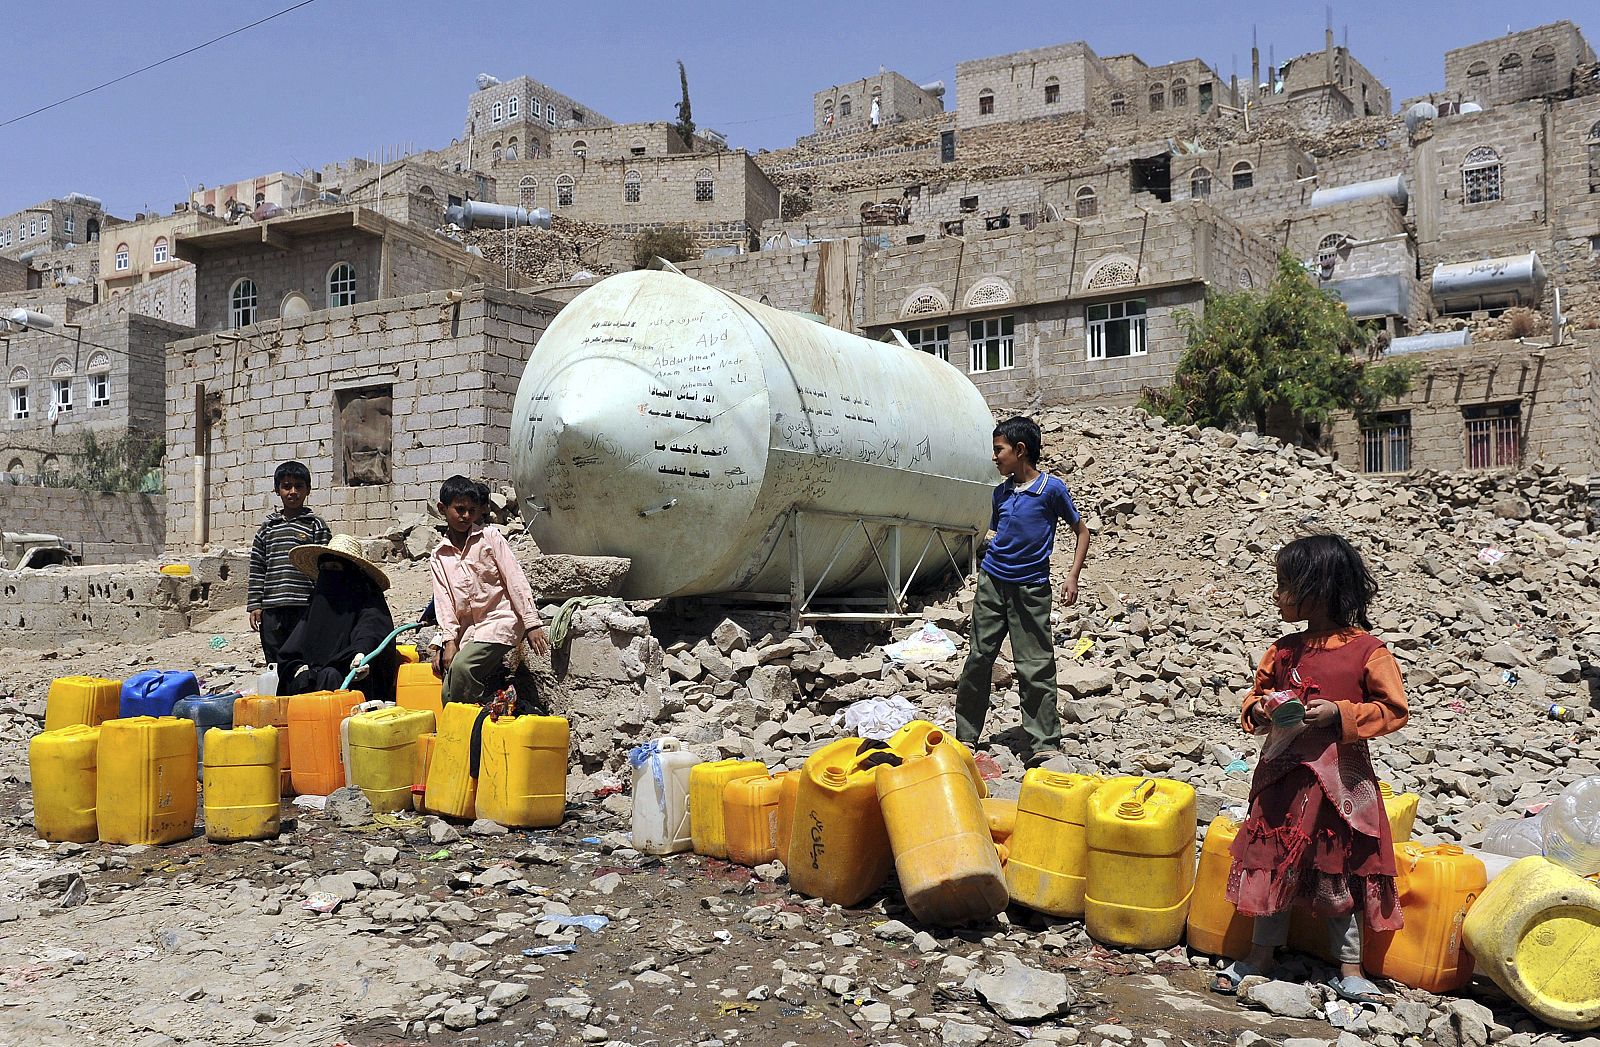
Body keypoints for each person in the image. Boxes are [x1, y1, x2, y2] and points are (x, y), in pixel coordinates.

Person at [1212, 533, 1408, 1004]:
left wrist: (1339, 714)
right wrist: (1260, 711)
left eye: (1284, 585)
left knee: (1336, 866)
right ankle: (1260, 957)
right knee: (1272, 860)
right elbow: (1253, 701)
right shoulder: (1283, 651)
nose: (1276, 595)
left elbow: (1394, 709)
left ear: (1315, 588)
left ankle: (1350, 967)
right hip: (1283, 778)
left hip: (1339, 787)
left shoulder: (1368, 651)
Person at [954, 416, 1090, 767]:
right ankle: (965, 737)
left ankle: (1044, 742)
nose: (995, 458)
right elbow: (1001, 535)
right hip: (992, 584)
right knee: (979, 659)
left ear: (1019, 450)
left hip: (1031, 589)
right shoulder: (999, 493)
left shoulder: (1051, 490)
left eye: (999, 451)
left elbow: (1082, 532)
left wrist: (1071, 577)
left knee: (1035, 665)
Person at [430, 475, 549, 704]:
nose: (466, 516)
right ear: (442, 509)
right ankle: (465, 728)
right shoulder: (439, 556)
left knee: (464, 668)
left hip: (500, 621)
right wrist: (448, 641)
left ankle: (470, 724)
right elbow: (444, 601)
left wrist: (532, 622)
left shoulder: (490, 537)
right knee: (447, 690)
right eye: (460, 509)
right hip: (469, 632)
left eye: (471, 510)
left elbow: (514, 578)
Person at [277, 534, 400, 702]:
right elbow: (291, 652)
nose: (329, 574)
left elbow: (371, 633)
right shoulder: (318, 602)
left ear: (350, 572)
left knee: (331, 676)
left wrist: (360, 654)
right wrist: (299, 668)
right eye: (325, 568)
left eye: (335, 567)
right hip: (313, 685)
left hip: (354, 681)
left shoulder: (367, 601)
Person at [247, 461, 331, 665]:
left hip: (305, 605)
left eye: (299, 486)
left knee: (304, 657)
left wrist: (324, 603)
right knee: (275, 660)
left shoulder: (316, 525)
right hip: (272, 608)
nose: (293, 492)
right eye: (286, 486)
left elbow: (326, 566)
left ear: (308, 490)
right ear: (277, 490)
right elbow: (258, 567)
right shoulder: (267, 529)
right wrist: (255, 605)